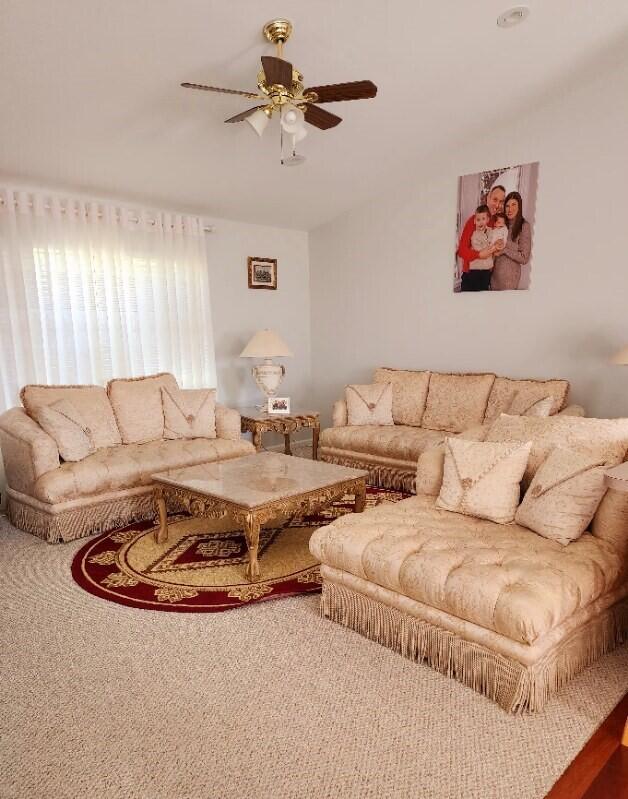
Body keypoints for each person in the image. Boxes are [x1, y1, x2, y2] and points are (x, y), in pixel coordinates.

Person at [456, 185, 506, 282]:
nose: (497, 205)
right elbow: (461, 250)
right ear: (488, 198)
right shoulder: (474, 220)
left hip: (486, 275)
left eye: (501, 202)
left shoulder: (497, 223)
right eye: (495, 200)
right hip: (471, 275)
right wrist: (479, 255)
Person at [490, 191, 531, 290]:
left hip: (509, 281)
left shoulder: (524, 226)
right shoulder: (501, 223)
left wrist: (504, 249)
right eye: (507, 206)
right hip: (494, 278)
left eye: (513, 205)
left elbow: (524, 258)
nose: (510, 209)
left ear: (519, 207)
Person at [461, 205, 493, 291]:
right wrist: (485, 248)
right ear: (474, 221)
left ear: (487, 220)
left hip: (486, 270)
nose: (481, 222)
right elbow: (477, 247)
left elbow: (493, 243)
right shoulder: (474, 234)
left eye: (483, 219)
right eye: (478, 220)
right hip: (474, 270)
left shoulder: (490, 231)